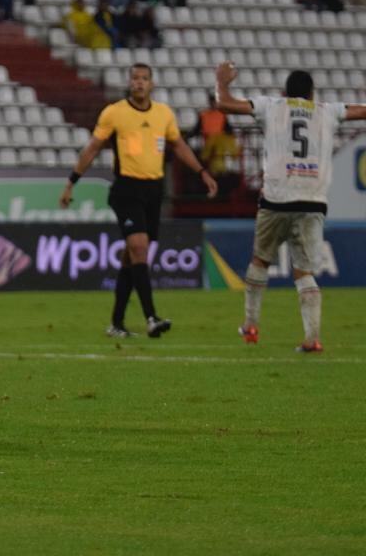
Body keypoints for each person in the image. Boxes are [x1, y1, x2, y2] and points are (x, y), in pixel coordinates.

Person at [214, 62, 366, 352]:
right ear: (312, 93)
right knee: (304, 271)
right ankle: (312, 339)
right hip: (313, 200)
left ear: (285, 91)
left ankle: (250, 324)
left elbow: (224, 105)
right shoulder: (328, 110)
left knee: (260, 260)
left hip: (277, 198)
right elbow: (362, 111)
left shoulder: (271, 106)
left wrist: (221, 82)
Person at [60, 63, 218, 338]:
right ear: (129, 82)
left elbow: (179, 145)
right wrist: (72, 181)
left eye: (144, 78)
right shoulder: (114, 113)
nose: (139, 83)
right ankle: (151, 317)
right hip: (126, 190)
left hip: (153, 191)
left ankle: (116, 323)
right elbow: (93, 148)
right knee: (139, 246)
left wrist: (202, 172)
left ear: (152, 83)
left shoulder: (163, 114)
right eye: (135, 78)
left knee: (131, 257)